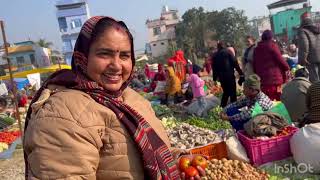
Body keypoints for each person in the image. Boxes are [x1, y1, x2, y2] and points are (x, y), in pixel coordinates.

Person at [23, 16, 182, 180]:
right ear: (83, 56)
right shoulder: (62, 115)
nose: (116, 65)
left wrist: (177, 161)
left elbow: (151, 152)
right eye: (105, 54)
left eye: (125, 56)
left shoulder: (131, 98)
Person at [253, 30, 290, 101]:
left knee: (267, 101)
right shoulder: (272, 46)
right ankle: (279, 112)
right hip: (274, 80)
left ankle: (269, 112)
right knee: (278, 100)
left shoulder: (256, 49)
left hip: (263, 81)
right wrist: (287, 68)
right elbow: (280, 60)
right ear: (271, 37)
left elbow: (254, 65)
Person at [212, 41, 244, 107]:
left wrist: (215, 78)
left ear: (218, 47)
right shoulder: (228, 52)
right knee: (233, 93)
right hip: (229, 76)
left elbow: (214, 68)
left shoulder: (215, 55)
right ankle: (233, 108)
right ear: (225, 46)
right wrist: (241, 73)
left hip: (221, 77)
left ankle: (222, 107)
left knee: (226, 92)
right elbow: (235, 63)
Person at [298, 12, 320, 82]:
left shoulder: (303, 31)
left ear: (302, 21)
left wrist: (303, 59)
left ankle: (317, 93)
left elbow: (304, 45)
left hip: (311, 59)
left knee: (315, 80)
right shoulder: (318, 29)